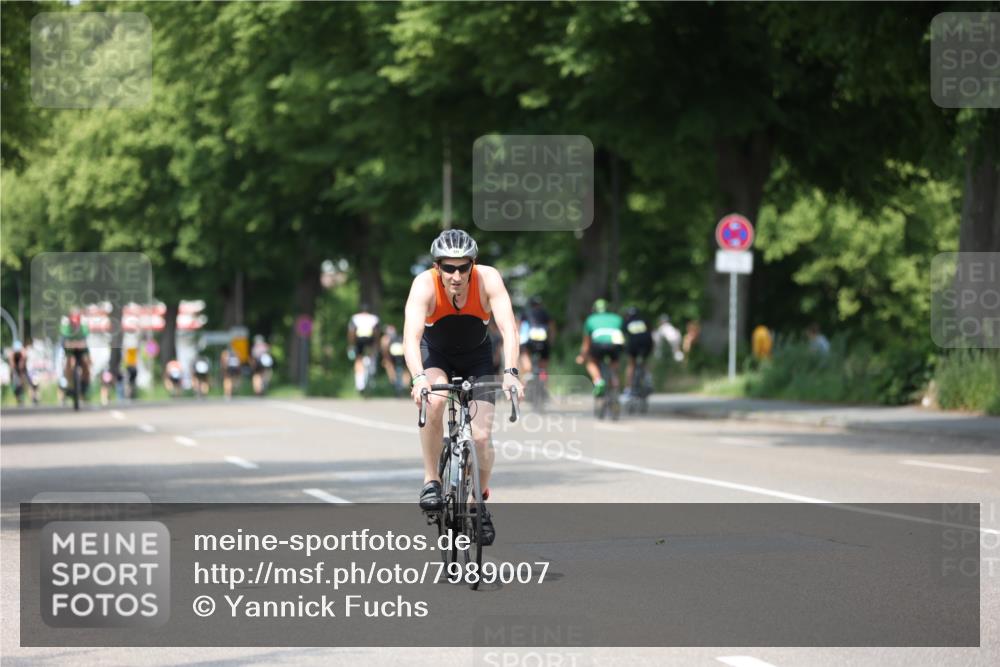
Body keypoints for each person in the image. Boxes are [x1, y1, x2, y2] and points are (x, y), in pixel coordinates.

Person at [404, 229, 523, 546]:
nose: (456, 276)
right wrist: (418, 378)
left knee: (481, 437)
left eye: (463, 267)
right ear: (437, 266)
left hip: (477, 359)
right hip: (436, 356)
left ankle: (476, 503)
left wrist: (511, 371)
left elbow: (509, 329)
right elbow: (411, 338)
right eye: (448, 268)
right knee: (435, 401)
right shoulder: (424, 284)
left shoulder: (488, 279)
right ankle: (431, 479)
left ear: (473, 264)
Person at [575, 298, 625, 396]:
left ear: (594, 309)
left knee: (591, 362)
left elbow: (586, 343)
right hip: (615, 345)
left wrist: (582, 356)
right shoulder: (617, 318)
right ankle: (615, 383)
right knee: (614, 365)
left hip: (598, 345)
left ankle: (598, 380)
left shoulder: (590, 319)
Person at [518, 295, 555, 380]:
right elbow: (552, 327)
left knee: (524, 354)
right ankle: (543, 379)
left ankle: (527, 374)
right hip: (543, 341)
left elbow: (519, 326)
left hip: (529, 341)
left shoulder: (526, 313)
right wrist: (551, 340)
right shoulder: (545, 313)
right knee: (543, 366)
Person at [59, 308, 91, 400]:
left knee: (86, 362)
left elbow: (85, 339)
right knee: (68, 362)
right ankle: (69, 383)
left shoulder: (84, 324)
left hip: (81, 347)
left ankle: (85, 383)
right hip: (70, 348)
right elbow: (64, 340)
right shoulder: (65, 324)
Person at [622, 306, 653, 397]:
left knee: (631, 364)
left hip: (634, 343)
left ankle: (628, 388)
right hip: (646, 342)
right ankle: (648, 378)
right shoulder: (644, 320)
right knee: (644, 361)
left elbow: (623, 335)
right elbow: (650, 332)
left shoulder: (627, 322)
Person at [348, 304, 380, 393]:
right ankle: (371, 373)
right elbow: (376, 332)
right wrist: (376, 344)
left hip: (359, 340)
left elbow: (351, 332)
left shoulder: (355, 318)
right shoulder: (374, 318)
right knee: (371, 357)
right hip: (370, 340)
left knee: (358, 360)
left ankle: (360, 384)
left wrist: (351, 344)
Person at [379, 324, 409, 395]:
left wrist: (385, 359)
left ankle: (393, 380)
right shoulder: (400, 337)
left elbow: (385, 350)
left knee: (388, 364)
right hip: (402, 355)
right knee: (406, 368)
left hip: (393, 355)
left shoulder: (385, 338)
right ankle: (405, 384)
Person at [7, 340, 39, 406]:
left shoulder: (23, 354)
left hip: (24, 369)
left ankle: (33, 398)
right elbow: (12, 365)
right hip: (15, 370)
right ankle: (19, 399)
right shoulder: (11, 354)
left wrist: (21, 376)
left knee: (29, 383)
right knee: (17, 385)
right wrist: (12, 375)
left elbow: (21, 366)